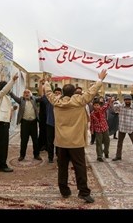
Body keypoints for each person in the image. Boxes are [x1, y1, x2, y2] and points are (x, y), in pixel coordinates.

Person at [44, 69, 108, 204]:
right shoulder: (79, 101)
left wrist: (46, 82)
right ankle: (83, 192)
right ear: (74, 93)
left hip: (61, 142)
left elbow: (48, 93)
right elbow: (92, 91)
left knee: (62, 167)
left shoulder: (56, 101)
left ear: (62, 93)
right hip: (76, 142)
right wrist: (100, 79)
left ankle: (64, 190)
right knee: (80, 167)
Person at [0, 73, 19, 172]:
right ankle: (3, 165)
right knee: (3, 144)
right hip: (1, 122)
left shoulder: (3, 97)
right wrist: (12, 80)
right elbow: (4, 91)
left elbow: (3, 108)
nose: (8, 90)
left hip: (4, 122)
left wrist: (12, 108)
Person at [111, 94, 133, 166]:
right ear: (124, 100)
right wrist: (112, 102)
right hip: (122, 127)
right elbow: (114, 110)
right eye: (126, 100)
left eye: (128, 100)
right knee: (119, 143)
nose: (127, 101)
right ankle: (118, 156)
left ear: (131, 100)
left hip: (131, 128)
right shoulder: (121, 106)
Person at [10, 89, 42, 161]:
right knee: (24, 140)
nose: (26, 93)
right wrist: (10, 91)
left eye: (28, 92)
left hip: (33, 122)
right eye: (25, 92)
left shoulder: (34, 99)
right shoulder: (21, 100)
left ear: (30, 94)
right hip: (25, 123)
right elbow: (14, 97)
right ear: (23, 94)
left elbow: (41, 98)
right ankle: (22, 155)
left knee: (35, 140)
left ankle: (36, 155)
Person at [90, 97, 112, 162]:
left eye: (97, 105)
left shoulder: (102, 110)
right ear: (93, 106)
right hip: (98, 130)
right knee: (98, 143)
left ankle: (106, 152)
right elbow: (92, 122)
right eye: (95, 105)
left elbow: (106, 106)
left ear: (99, 105)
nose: (96, 106)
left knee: (107, 141)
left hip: (105, 128)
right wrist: (92, 130)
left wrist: (109, 100)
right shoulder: (92, 114)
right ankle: (99, 156)